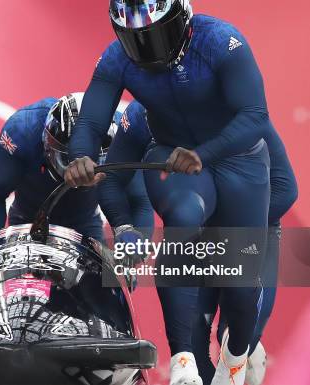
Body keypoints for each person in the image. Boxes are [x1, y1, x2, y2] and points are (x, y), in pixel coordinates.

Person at [64, 2, 276, 384]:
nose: (149, 50)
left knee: (242, 286)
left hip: (236, 158)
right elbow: (92, 121)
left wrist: (204, 153)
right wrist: (80, 156)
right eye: (136, 40)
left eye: (157, 35)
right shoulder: (115, 59)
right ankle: (183, 359)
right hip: (172, 155)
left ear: (182, 20)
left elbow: (255, 116)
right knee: (182, 217)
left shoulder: (221, 42)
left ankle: (235, 357)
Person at [104, 101, 298, 385]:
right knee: (194, 338)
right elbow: (118, 182)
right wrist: (126, 230)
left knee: (238, 341)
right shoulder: (140, 116)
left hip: (254, 230)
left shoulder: (239, 108)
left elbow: (286, 190)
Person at [0, 93, 153, 241]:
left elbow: (139, 201)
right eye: (68, 159)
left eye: (96, 162)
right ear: (47, 143)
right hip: (28, 220)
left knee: (111, 281)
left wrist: (135, 245)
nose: (80, 174)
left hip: (85, 223)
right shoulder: (23, 129)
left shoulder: (122, 136)